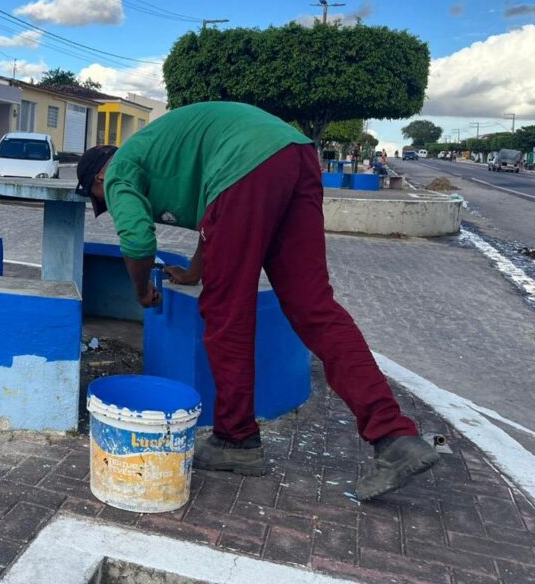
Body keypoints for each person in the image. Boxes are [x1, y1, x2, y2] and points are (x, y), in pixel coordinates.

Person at [74, 102, 437, 501]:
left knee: (225, 312)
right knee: (314, 308)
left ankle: (237, 439)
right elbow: (214, 218)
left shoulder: (119, 170)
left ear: (99, 175)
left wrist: (143, 290)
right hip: (294, 154)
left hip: (247, 165)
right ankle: (394, 437)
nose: (110, 203)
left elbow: (138, 241)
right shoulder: (162, 153)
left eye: (101, 198)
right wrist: (194, 272)